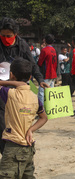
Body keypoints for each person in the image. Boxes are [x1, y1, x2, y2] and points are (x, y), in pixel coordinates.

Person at [0, 58, 48, 179]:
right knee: (29, 177)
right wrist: (31, 130)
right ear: (29, 76)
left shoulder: (9, 93)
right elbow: (44, 118)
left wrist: (10, 79)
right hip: (28, 146)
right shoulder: (34, 97)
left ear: (12, 74)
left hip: (13, 146)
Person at [0, 17, 48, 154]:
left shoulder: (22, 45)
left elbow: (32, 64)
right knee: (2, 121)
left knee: (17, 121)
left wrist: (40, 79)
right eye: (2, 35)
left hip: (18, 88)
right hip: (2, 88)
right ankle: (6, 153)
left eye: (8, 36)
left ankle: (17, 151)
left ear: (15, 34)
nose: (5, 38)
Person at [37, 34, 57, 103]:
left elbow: (40, 62)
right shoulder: (54, 50)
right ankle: (50, 107)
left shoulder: (44, 50)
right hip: (53, 73)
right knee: (50, 92)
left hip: (47, 73)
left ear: (45, 40)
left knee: (41, 92)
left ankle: (41, 109)